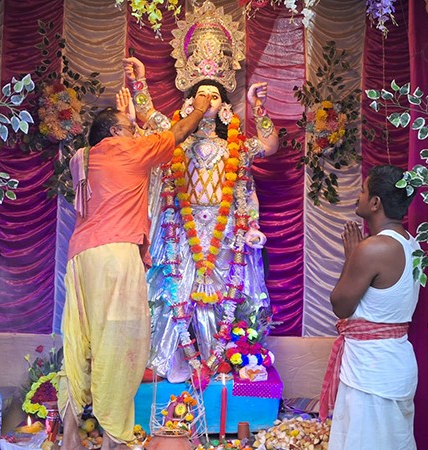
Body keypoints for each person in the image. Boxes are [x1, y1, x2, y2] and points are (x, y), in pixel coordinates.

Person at [121, 1, 280, 386]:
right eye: (201, 94)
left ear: (224, 106)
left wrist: (258, 107)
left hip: (224, 232)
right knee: (176, 294)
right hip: (182, 227)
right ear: (189, 102)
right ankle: (169, 361)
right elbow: (149, 116)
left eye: (214, 95)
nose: (207, 99)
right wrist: (140, 81)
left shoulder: (235, 146)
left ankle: (225, 360)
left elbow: (270, 145)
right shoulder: (176, 140)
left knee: (225, 295)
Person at [56, 87, 210, 450]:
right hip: (116, 256)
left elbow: (118, 157)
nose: (133, 132)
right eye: (127, 128)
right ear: (115, 133)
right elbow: (177, 133)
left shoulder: (82, 157)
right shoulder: (129, 150)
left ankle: (69, 437)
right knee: (120, 343)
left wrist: (127, 120)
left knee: (78, 342)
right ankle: (114, 438)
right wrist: (200, 108)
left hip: (80, 258)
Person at [321, 165, 421, 450]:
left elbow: (340, 305)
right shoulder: (411, 243)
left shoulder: (373, 248)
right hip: (394, 361)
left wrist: (352, 255)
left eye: (363, 190)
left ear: (375, 203)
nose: (359, 195)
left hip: (371, 370)